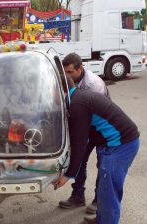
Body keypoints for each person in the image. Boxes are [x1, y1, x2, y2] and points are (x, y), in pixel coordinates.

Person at [53, 76, 140, 224]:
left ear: (62, 89)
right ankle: (102, 219)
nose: (50, 97)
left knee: (109, 192)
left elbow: (79, 144)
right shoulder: (77, 98)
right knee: (104, 189)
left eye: (51, 91)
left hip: (120, 145)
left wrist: (68, 175)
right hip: (114, 143)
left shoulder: (77, 104)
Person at [58, 53, 110, 214]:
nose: (67, 75)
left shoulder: (94, 85)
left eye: (70, 72)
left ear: (80, 68)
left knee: (103, 165)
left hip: (101, 130)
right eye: (65, 72)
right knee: (79, 161)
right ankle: (78, 196)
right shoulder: (68, 83)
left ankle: (98, 200)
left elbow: (94, 115)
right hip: (82, 125)